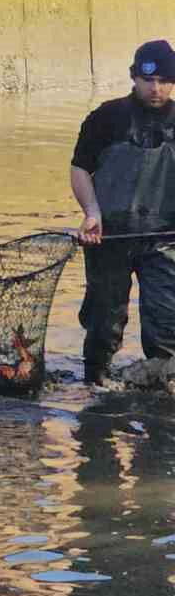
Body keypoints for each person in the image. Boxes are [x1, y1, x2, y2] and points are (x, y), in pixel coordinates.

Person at [70, 39, 175, 385]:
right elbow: (80, 168)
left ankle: (158, 403)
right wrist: (91, 212)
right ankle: (95, 388)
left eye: (163, 79)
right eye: (148, 80)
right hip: (109, 236)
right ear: (134, 78)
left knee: (165, 326)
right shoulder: (107, 117)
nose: (155, 88)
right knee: (104, 323)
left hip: (164, 241)